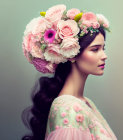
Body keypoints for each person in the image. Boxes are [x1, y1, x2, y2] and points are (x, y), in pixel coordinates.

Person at [21, 4, 117, 140]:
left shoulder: (84, 102)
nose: (104, 56)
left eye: (103, 48)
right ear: (72, 53)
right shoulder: (69, 109)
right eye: (95, 49)